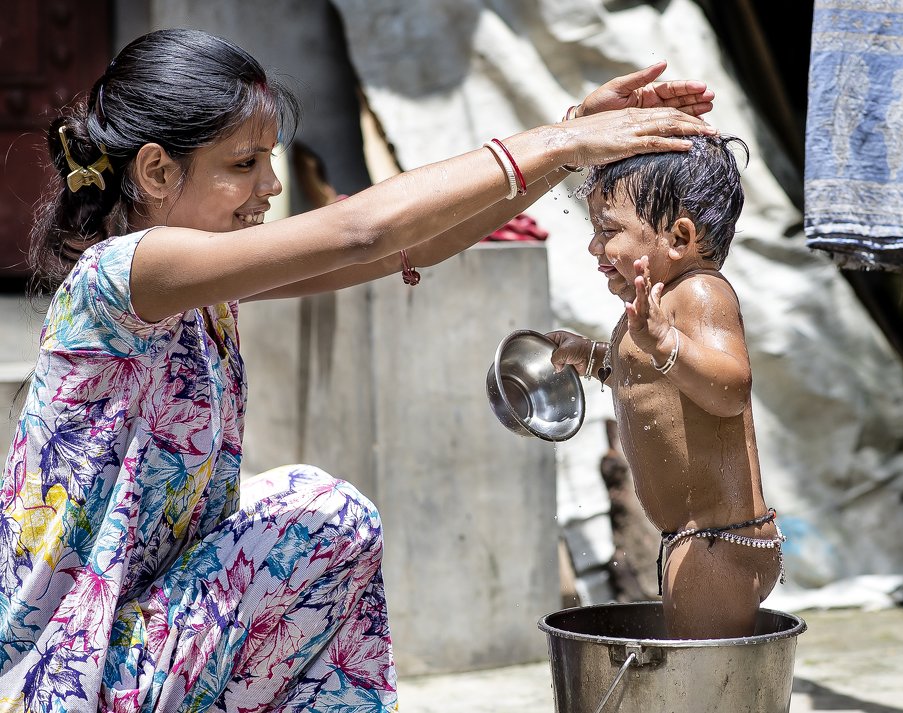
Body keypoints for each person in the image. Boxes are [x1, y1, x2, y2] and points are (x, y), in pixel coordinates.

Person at [0, 27, 718, 712]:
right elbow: (359, 230)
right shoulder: (125, 272)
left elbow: (397, 251)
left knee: (311, 527)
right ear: (157, 170)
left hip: (144, 642)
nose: (272, 186)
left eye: (269, 159)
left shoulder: (197, 283)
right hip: (71, 675)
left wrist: (565, 152)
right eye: (244, 164)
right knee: (320, 512)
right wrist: (559, 138)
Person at [548, 136, 785, 640]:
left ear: (679, 237)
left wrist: (664, 343)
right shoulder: (655, 314)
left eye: (607, 231)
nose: (594, 247)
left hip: (719, 543)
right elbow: (644, 383)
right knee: (700, 678)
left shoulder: (700, 292)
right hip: (694, 540)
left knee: (702, 687)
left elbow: (731, 389)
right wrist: (589, 356)